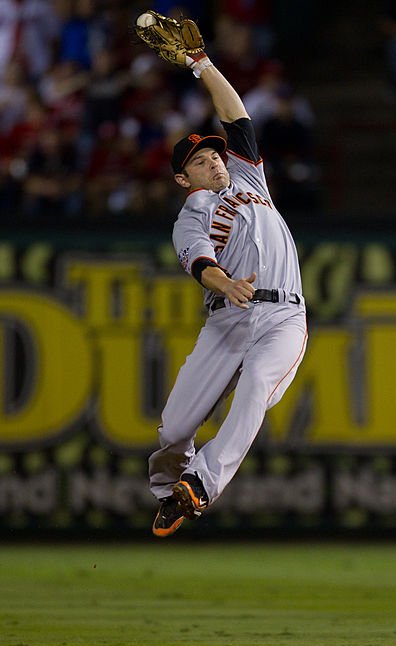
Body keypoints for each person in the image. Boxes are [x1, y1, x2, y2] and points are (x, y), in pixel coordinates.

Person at [142, 20, 308, 538]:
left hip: (282, 315)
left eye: (214, 154)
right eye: (199, 159)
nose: (212, 160)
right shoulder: (191, 214)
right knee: (173, 430)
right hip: (226, 319)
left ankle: (201, 486)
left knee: (258, 383)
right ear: (181, 178)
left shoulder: (249, 179)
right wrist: (224, 282)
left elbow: (236, 115)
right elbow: (198, 262)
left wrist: (200, 64)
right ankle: (171, 490)